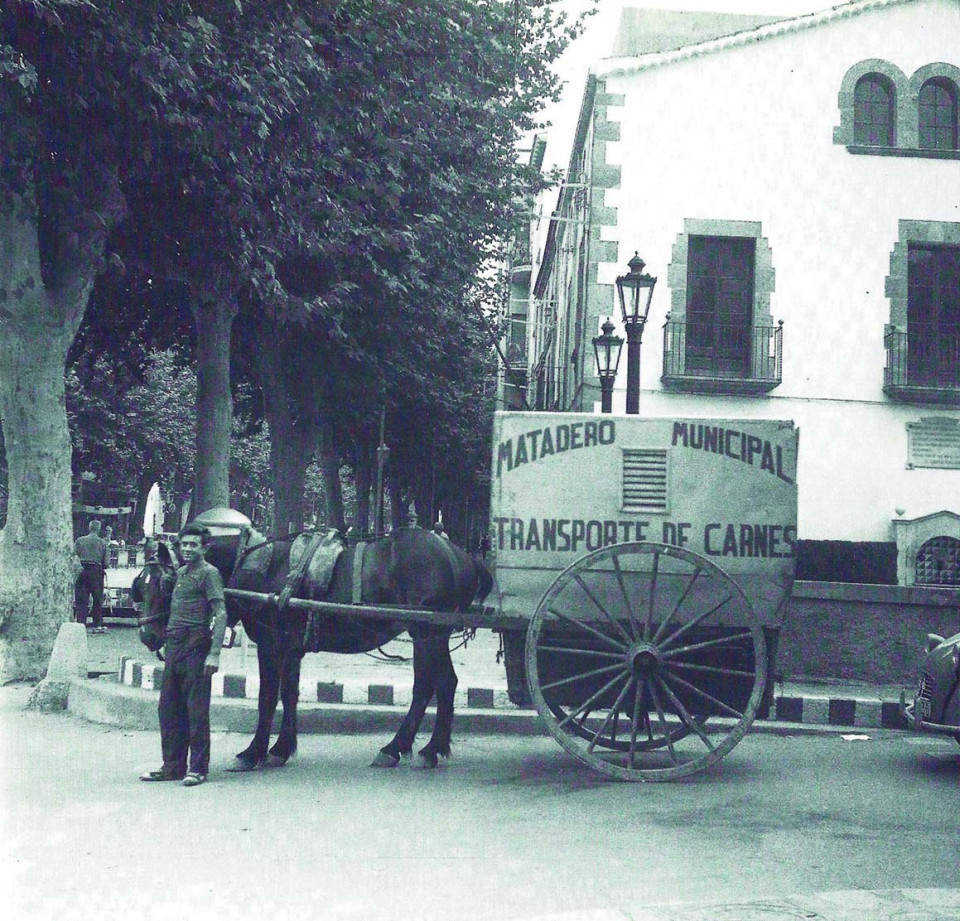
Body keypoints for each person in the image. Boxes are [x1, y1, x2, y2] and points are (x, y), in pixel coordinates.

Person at [140, 523, 227, 787]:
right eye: (184, 544)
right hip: (174, 645)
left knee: (196, 711)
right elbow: (171, 610)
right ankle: (172, 767)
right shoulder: (179, 574)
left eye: (193, 545)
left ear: (204, 548)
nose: (187, 549)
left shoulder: (210, 574)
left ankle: (197, 769)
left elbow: (221, 614)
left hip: (196, 645)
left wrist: (214, 654)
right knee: (168, 708)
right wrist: (164, 641)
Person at [74, 519, 108, 634]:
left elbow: (73, 555)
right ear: (99, 529)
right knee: (97, 599)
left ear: (89, 528)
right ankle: (97, 624)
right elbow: (106, 563)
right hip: (96, 572)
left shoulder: (79, 540)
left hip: (82, 570)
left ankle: (80, 624)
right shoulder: (102, 543)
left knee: (81, 600)